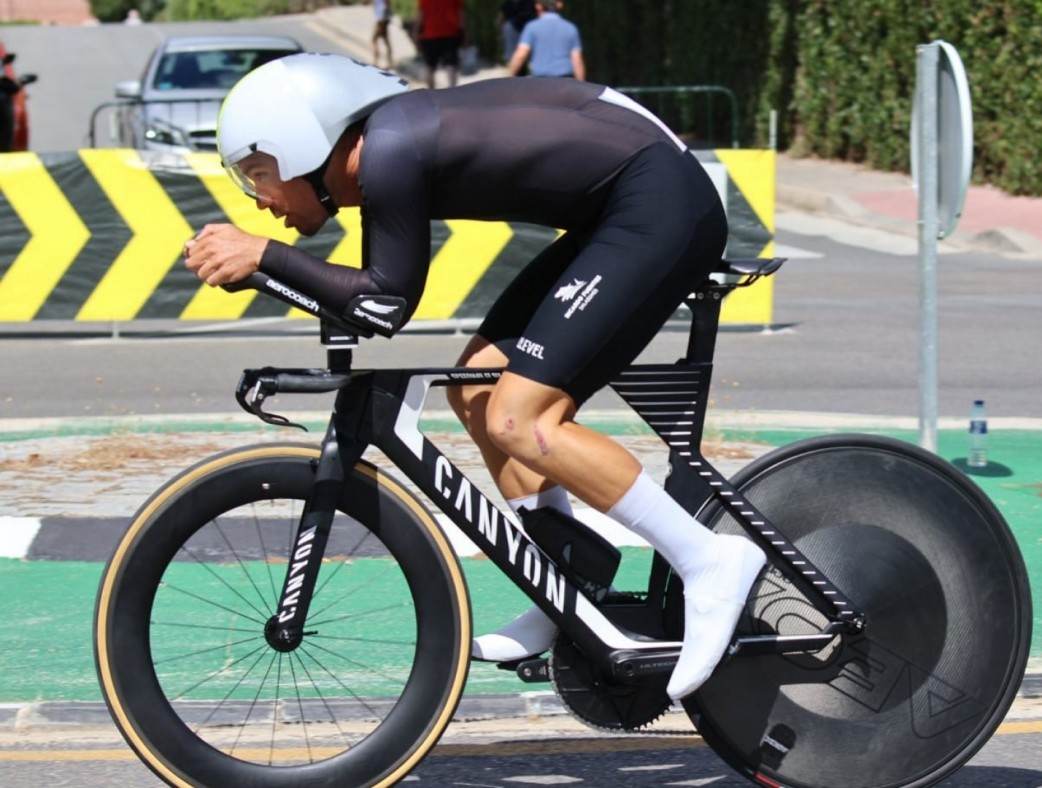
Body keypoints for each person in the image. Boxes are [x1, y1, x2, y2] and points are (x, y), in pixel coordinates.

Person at [187, 54, 765, 701]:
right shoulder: (390, 144)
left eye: (258, 176)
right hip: (621, 208)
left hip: (660, 204)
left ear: (304, 143)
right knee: (478, 385)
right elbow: (379, 301)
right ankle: (564, 589)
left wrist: (263, 256)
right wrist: (269, 263)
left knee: (521, 418)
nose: (261, 202)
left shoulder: (389, 150)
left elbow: (384, 304)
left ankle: (710, 560)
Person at [506, 0, 584, 80]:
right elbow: (577, 60)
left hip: (541, 81)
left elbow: (521, 55)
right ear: (559, 5)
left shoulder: (532, 27)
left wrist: (509, 77)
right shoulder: (570, 28)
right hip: (566, 79)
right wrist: (581, 85)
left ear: (538, 6)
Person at [416, 0, 463, 88]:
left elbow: (421, 14)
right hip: (450, 33)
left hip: (430, 34)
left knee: (430, 66)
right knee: (451, 64)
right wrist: (464, 31)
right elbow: (461, 13)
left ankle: (431, 91)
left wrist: (416, 31)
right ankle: (452, 89)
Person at [497, 0, 536, 67]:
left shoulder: (529, 3)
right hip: (515, 31)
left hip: (524, 30)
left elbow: (501, 19)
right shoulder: (508, 5)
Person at [368, 0, 393, 69]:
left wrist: (384, 17)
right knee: (385, 40)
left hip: (382, 18)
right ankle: (390, 61)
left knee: (374, 39)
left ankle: (376, 61)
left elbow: (387, 3)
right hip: (383, 18)